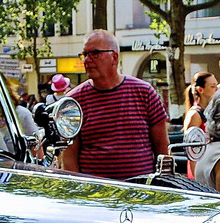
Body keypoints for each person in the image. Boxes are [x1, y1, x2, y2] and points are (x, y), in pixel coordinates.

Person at [60, 30, 168, 181]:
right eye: (85, 54)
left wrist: (163, 185)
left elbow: (162, 147)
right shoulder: (73, 101)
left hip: (141, 194)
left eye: (95, 53)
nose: (87, 60)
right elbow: (69, 156)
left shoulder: (145, 93)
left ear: (114, 57)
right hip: (96, 196)